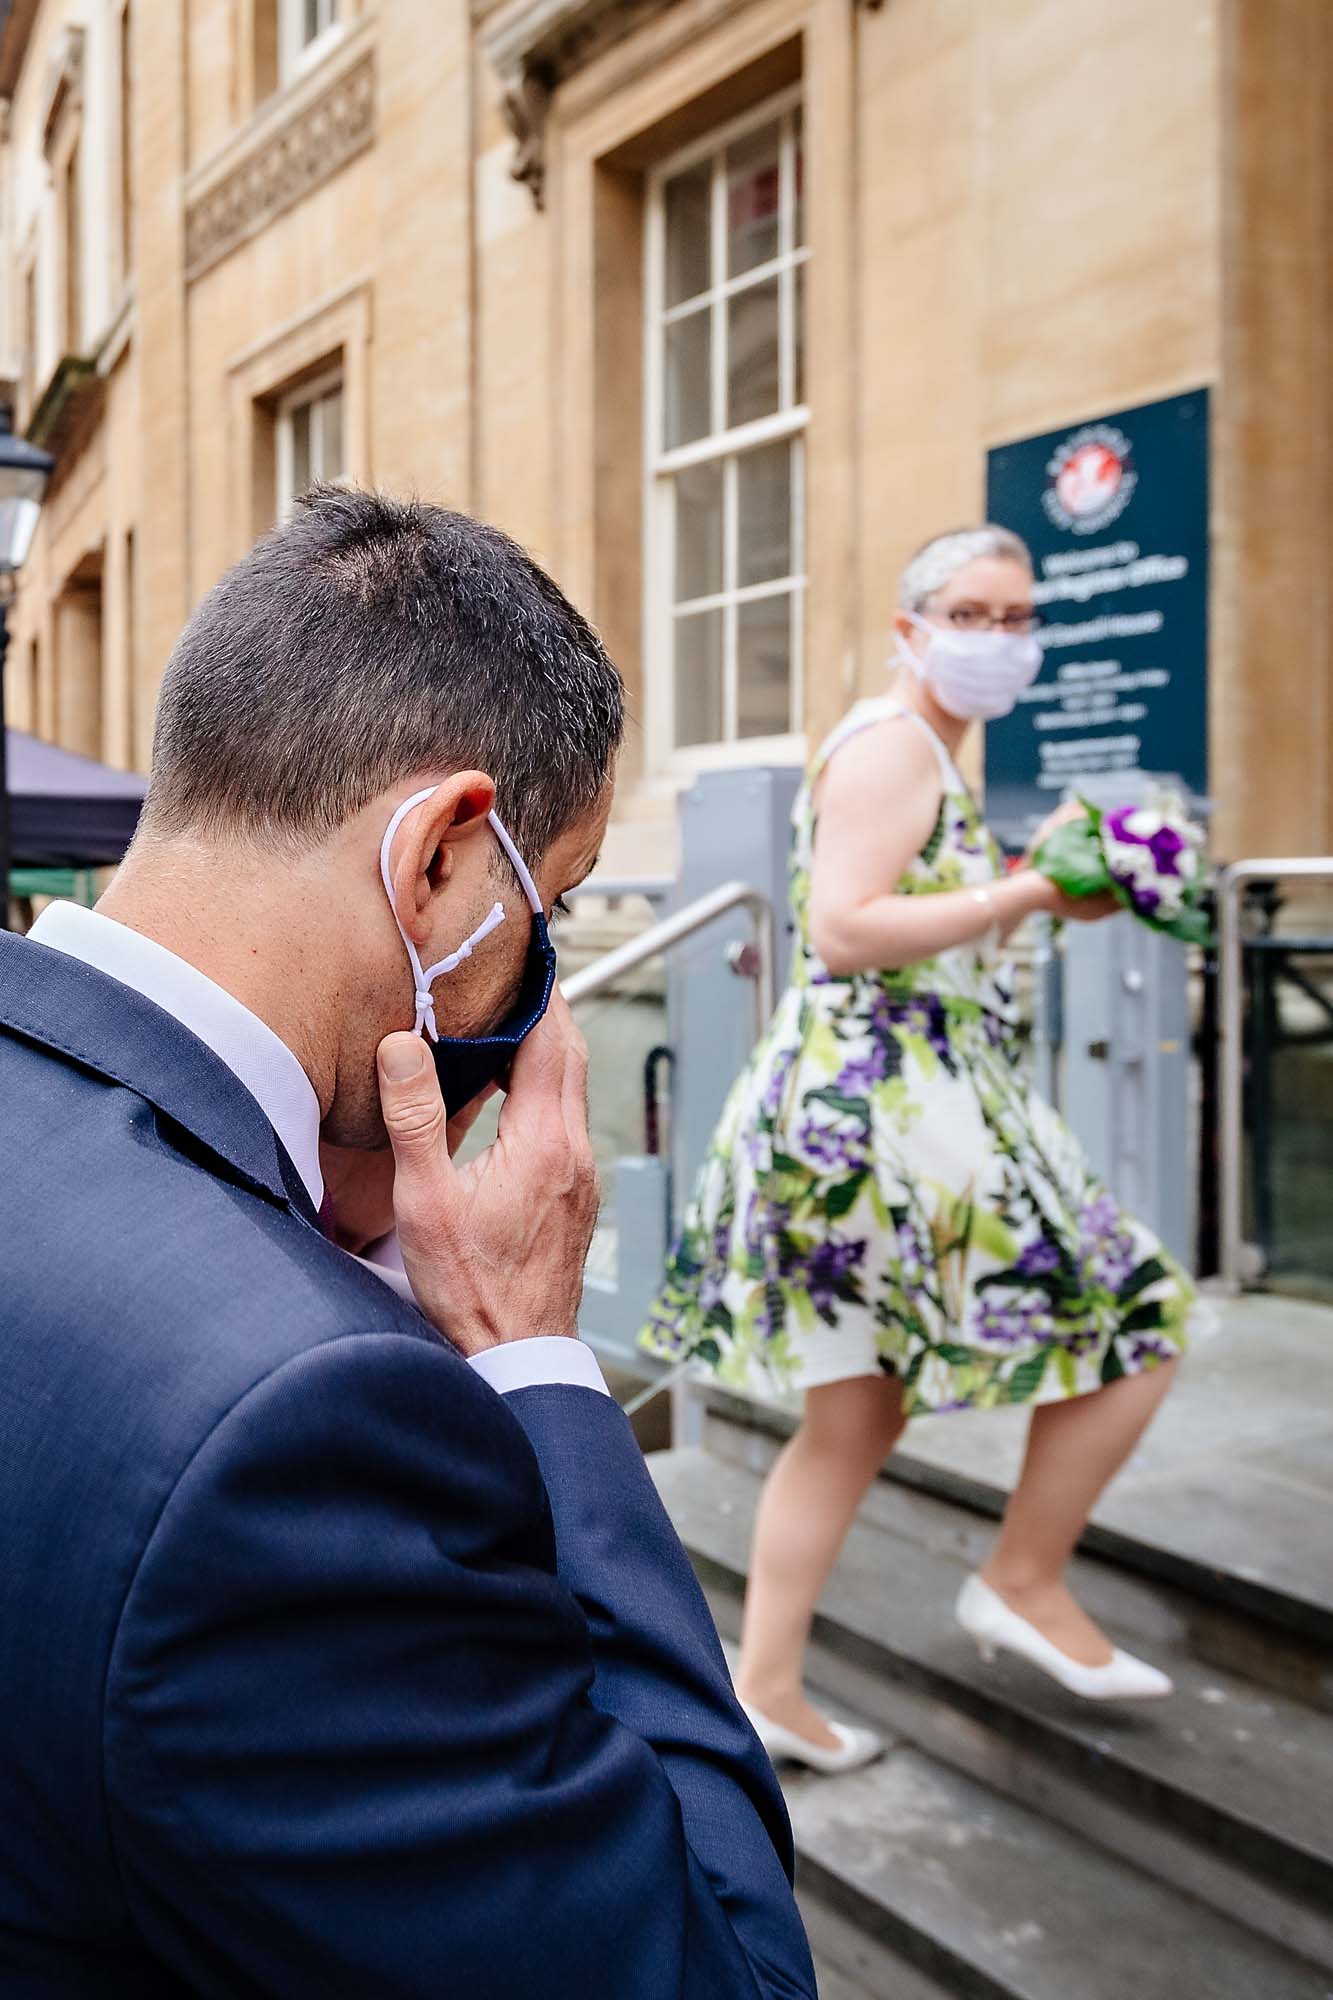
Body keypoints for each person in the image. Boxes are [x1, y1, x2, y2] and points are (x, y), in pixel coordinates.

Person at [0, 489, 816, 1998]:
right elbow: (720, 1969)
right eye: (551, 899)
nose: (544, 964)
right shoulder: (307, 1419)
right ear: (441, 851)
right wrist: (538, 1364)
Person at [642, 524, 1197, 1772]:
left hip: (863, 1104)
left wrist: (1030, 874)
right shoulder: (894, 745)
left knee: (853, 1416)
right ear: (910, 626)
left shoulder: (909, 751)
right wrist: (1029, 893)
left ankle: (766, 1682)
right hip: (889, 1103)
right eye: (970, 611)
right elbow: (842, 926)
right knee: (1139, 1316)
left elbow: (889, 907)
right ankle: (1021, 1577)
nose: (998, 638)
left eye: (1017, 618)